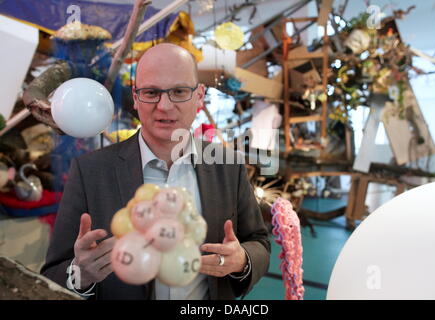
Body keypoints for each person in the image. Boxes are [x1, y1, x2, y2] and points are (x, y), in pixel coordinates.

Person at [41, 43, 270, 300]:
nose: (164, 106)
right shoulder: (91, 172)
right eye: (151, 92)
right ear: (136, 97)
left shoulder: (228, 166)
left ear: (199, 96)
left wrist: (242, 260)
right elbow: (52, 275)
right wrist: (80, 274)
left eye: (179, 91)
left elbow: (258, 241)